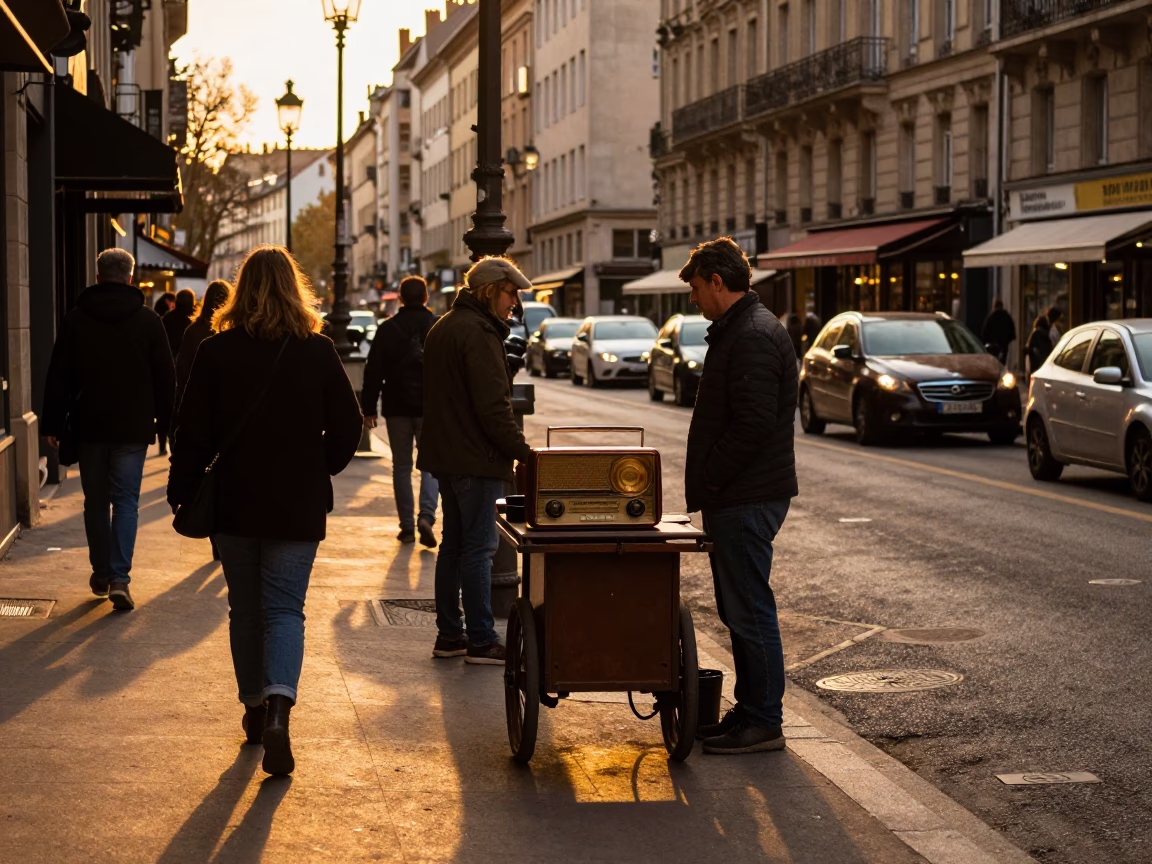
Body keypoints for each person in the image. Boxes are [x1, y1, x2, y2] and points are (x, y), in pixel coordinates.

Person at [168, 246, 362, 776]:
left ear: (240, 290)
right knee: (284, 610)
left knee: (245, 610)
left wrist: (181, 489)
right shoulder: (317, 351)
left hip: (234, 500)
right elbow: (349, 426)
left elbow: (192, 432)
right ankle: (280, 707)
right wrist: (318, 466)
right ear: (294, 289)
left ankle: (253, 708)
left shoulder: (216, 351)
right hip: (296, 503)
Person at [680, 237, 798, 756]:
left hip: (746, 495)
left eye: (697, 288)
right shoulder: (743, 329)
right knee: (740, 608)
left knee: (749, 609)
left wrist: (711, 477)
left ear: (718, 283)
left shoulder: (750, 335)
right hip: (741, 493)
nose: (694, 299)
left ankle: (764, 719)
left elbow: (752, 426)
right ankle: (750, 711)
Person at [42, 248, 175, 611]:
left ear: (98, 277)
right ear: (130, 278)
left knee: (95, 503)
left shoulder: (76, 320)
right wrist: (169, 427)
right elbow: (166, 379)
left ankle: (101, 572)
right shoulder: (149, 322)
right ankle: (119, 578)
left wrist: (52, 423)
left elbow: (59, 376)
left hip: (90, 425)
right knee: (126, 502)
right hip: (132, 428)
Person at [418, 256, 534, 665]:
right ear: (491, 290)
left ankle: (450, 634)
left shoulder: (445, 326)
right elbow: (493, 409)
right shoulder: (480, 333)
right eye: (510, 293)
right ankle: (482, 639)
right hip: (476, 458)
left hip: (446, 456)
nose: (514, 304)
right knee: (479, 550)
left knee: (454, 545)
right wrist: (524, 452)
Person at [362, 276, 440, 547]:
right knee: (431, 466)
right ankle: (427, 516)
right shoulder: (437, 326)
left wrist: (368, 407)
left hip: (396, 406)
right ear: (426, 297)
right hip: (430, 406)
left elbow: (374, 371)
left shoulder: (388, 329)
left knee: (402, 467)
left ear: (400, 298)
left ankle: (406, 526)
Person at [175, 280, 232, 408]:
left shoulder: (193, 331)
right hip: (225, 402)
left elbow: (183, 368)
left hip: (196, 399)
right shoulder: (232, 330)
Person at [163, 288, 197, 357]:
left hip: (170, 356)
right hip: (190, 358)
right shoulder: (196, 319)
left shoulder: (167, 318)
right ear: (192, 302)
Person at [981, 299, 1016, 365]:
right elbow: (1011, 330)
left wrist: (987, 341)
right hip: (1004, 344)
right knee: (1003, 361)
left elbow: (985, 331)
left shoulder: (991, 317)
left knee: (994, 361)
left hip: (993, 344)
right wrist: (1008, 339)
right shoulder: (1006, 316)